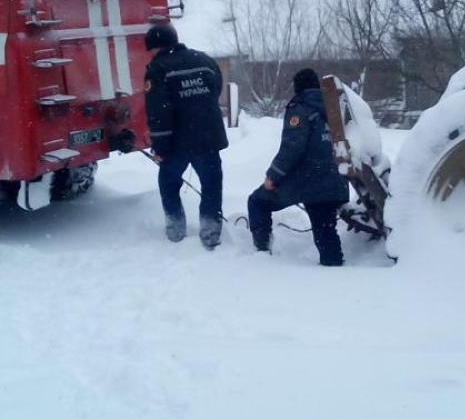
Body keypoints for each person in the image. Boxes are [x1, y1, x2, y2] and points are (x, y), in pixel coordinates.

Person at [248, 68, 348, 266]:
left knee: (257, 202)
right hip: (336, 180)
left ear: (297, 87)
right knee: (324, 227)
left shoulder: (300, 107)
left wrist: (273, 177)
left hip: (309, 180)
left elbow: (292, 148)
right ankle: (335, 270)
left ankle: (261, 254)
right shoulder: (334, 107)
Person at [143, 23, 228, 249]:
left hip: (177, 142)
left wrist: (160, 147)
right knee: (211, 183)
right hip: (208, 137)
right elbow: (215, 90)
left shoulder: (157, 68)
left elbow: (158, 111)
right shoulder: (206, 60)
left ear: (154, 48)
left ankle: (176, 229)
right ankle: (210, 230)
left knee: (169, 183)